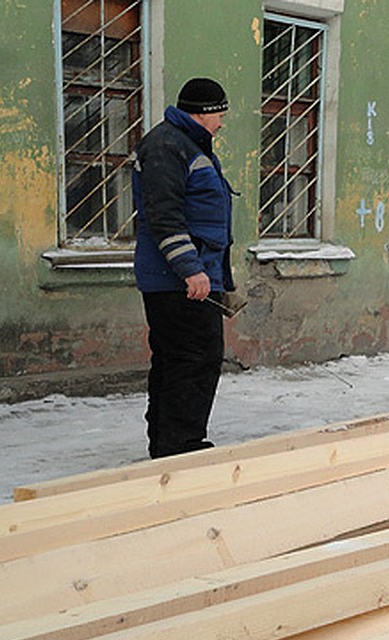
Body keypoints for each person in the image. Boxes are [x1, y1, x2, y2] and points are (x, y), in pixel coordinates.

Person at [133, 77, 235, 458]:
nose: (222, 123)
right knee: (193, 360)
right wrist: (191, 269)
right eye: (220, 115)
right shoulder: (167, 145)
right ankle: (181, 448)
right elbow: (164, 215)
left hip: (191, 278)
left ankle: (170, 444)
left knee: (180, 360)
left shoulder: (186, 143)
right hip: (178, 282)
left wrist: (217, 276)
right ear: (205, 113)